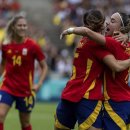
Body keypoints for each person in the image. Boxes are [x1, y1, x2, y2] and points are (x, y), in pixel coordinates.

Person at [55, 10, 130, 130]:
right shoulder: (107, 44)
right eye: (107, 21)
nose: (107, 24)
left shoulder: (85, 41)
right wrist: (127, 35)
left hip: (106, 100)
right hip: (111, 98)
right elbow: (116, 65)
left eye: (112, 21)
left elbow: (116, 66)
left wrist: (70, 30)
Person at [0, 14, 48, 130]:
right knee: (0, 115)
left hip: (25, 90)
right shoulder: (6, 45)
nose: (22, 27)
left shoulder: (33, 46)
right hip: (8, 86)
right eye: (19, 25)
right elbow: (3, 64)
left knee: (25, 123)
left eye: (24, 25)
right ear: (13, 27)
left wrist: (39, 83)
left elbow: (44, 67)